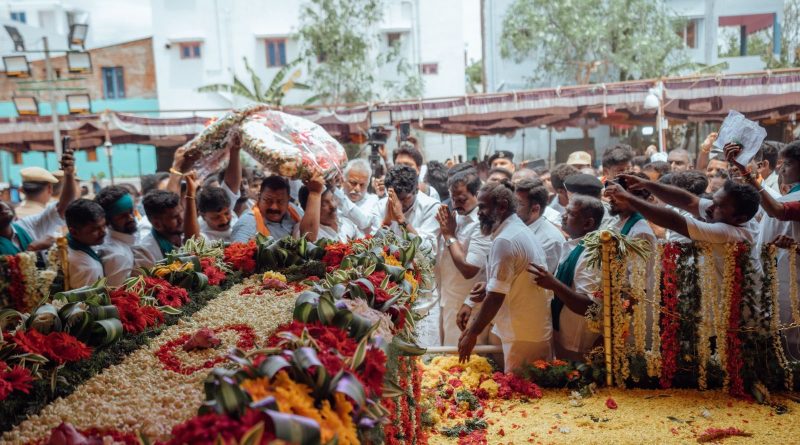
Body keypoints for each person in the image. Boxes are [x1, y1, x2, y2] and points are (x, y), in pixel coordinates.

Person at [458, 180, 552, 372]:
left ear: (502, 206)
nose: (479, 213)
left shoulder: (506, 239)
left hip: (522, 334)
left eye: (483, 207)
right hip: (527, 330)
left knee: (521, 389)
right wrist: (487, 287)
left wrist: (472, 333)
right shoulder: (515, 230)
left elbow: (496, 297)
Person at [606, 173, 760, 282]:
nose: (709, 207)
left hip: (746, 309)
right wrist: (645, 184)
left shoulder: (731, 233)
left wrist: (628, 198)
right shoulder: (726, 213)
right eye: (712, 201)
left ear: (740, 218)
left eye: (718, 206)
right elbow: (689, 201)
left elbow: (674, 221)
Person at [527, 195, 604, 361]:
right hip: (562, 335)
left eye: (571, 214)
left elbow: (588, 306)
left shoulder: (591, 253)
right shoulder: (576, 244)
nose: (563, 216)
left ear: (588, 223)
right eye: (565, 211)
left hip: (577, 342)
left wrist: (553, 284)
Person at [435, 168, 492, 346]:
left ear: (477, 194)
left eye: (461, 199)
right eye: (453, 199)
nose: (456, 204)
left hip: (468, 305)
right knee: (445, 355)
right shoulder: (457, 216)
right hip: (447, 299)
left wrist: (449, 235)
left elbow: (469, 270)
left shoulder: (483, 224)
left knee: (465, 358)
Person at [0, 149, 77, 255]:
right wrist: (32, 249)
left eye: (0, 200)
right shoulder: (28, 224)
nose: (1, 205)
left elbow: (63, 207)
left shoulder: (24, 225)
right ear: (50, 189)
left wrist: (69, 175)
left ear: (21, 190)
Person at [231, 173, 324, 242]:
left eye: (280, 202)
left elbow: (309, 237)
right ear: (259, 197)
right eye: (268, 201)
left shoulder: (294, 211)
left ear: (288, 200)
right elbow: (237, 255)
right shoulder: (247, 222)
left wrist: (315, 193)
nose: (274, 207)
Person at [134, 174, 200, 268]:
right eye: (175, 217)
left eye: (181, 212)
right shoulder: (145, 253)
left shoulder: (184, 236)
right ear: (157, 224)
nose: (181, 219)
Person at [374, 165, 440, 252]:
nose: (398, 204)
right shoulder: (381, 205)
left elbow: (427, 250)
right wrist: (386, 222)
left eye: (405, 199)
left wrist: (402, 219)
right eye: (395, 198)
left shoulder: (431, 207)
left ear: (417, 189)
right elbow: (373, 247)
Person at [197, 129, 243, 242]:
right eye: (216, 217)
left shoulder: (226, 203)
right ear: (203, 216)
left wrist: (235, 150)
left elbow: (232, 183)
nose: (224, 220)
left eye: (227, 213)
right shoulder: (201, 237)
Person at [515, 178, 565, 273]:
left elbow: (536, 279)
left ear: (535, 209)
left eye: (519, 204)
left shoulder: (550, 241)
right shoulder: (515, 226)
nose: (513, 207)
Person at [95, 186, 139, 286]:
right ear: (108, 220)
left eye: (131, 211)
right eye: (123, 216)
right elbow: (119, 293)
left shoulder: (125, 239)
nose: (131, 218)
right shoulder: (117, 256)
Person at [65, 199, 107, 289]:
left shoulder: (65, 242)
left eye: (104, 225)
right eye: (95, 229)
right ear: (74, 232)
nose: (103, 232)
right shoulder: (90, 269)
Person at [605, 173, 657, 245]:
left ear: (636, 198)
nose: (611, 197)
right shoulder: (618, 222)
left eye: (618, 193)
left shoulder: (641, 232)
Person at [333, 159, 380, 234]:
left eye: (362, 185)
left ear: (368, 184)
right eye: (353, 183)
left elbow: (363, 222)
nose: (357, 189)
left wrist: (339, 198)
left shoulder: (373, 201)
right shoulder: (331, 198)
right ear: (343, 180)